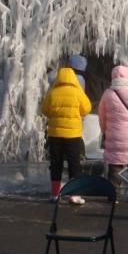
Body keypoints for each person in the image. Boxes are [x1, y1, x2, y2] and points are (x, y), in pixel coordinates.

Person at [41, 67, 92, 205]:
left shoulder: (53, 92)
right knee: (74, 164)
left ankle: (55, 194)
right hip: (73, 135)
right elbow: (87, 108)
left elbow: (44, 110)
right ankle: (74, 195)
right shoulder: (77, 92)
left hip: (55, 135)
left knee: (56, 164)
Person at [98, 66, 128, 188]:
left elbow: (102, 117)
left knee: (115, 171)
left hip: (114, 140)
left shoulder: (107, 94)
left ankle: (113, 196)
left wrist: (105, 131)